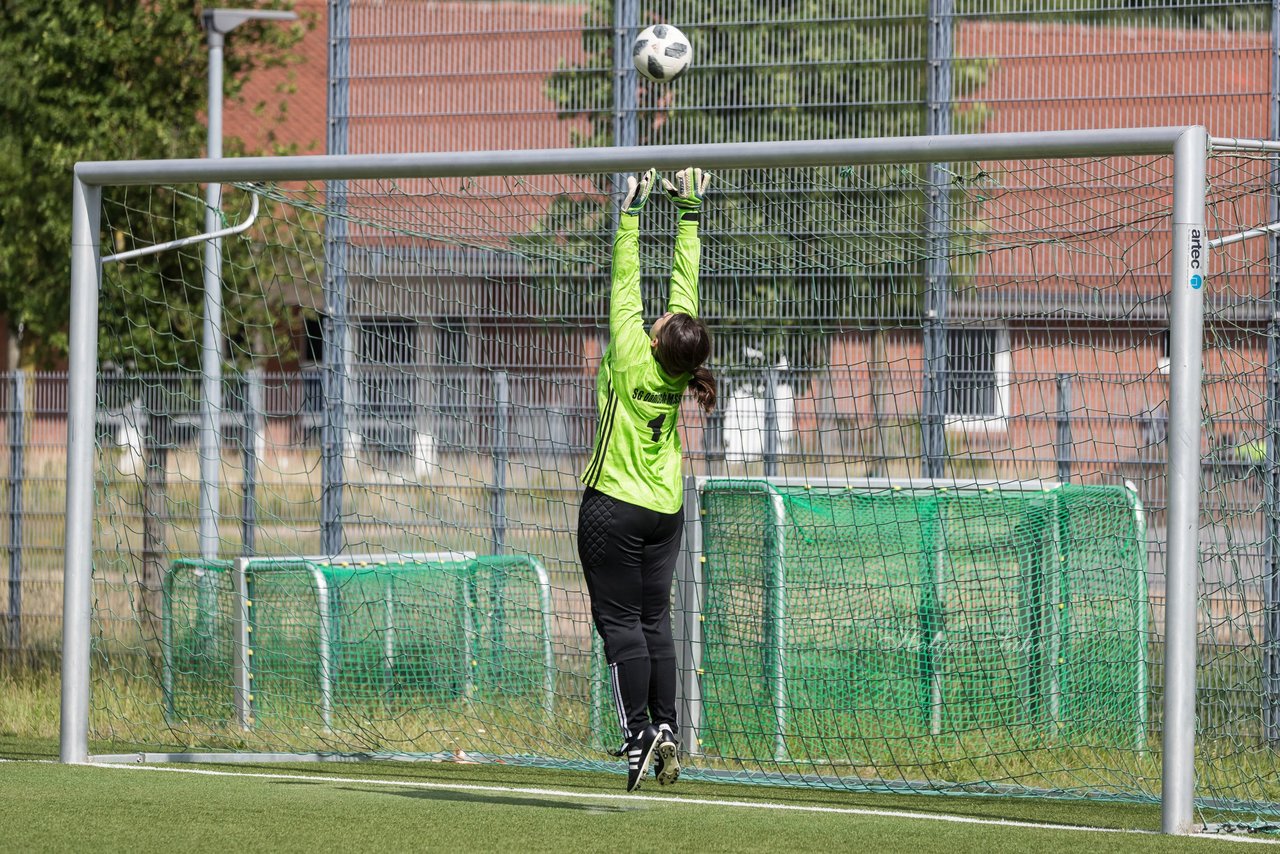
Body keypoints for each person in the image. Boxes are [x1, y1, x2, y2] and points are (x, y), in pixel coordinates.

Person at [578, 166, 716, 792]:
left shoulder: (633, 351)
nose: (659, 317)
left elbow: (625, 283)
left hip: (614, 505)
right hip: (666, 509)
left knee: (620, 628)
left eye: (661, 323)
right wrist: (688, 207)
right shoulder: (682, 364)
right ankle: (667, 727)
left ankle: (637, 735)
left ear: (658, 342)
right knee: (655, 622)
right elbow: (684, 286)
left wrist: (630, 212)